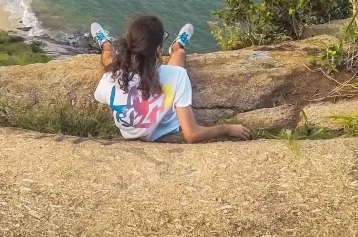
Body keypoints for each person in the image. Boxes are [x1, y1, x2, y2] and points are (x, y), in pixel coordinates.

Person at [91, 15, 253, 143]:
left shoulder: (111, 76)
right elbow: (192, 134)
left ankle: (106, 43)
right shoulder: (176, 76)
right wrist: (226, 129)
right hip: (163, 131)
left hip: (127, 133)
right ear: (159, 49)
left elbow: (102, 98)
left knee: (107, 57)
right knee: (179, 54)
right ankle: (176, 46)